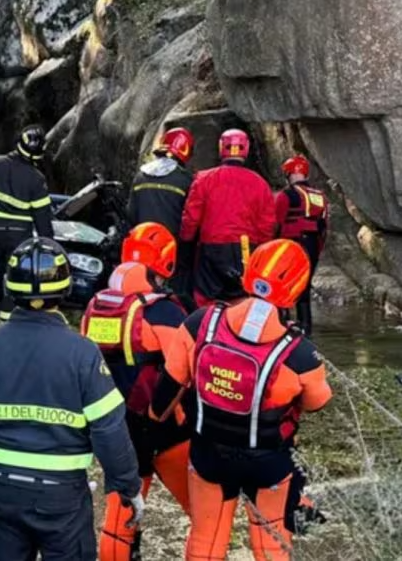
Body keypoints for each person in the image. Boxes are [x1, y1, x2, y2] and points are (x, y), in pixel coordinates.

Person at [0, 236, 143, 561]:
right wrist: (127, 488)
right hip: (62, 498)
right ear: (65, 289)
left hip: (1, 489)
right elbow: (110, 431)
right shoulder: (82, 353)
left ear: (10, 288)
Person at [149, 239, 333, 561]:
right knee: (271, 544)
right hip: (268, 462)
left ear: (250, 274)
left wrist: (153, 421)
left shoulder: (200, 323)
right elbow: (317, 402)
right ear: (297, 288)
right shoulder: (300, 353)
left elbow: (168, 388)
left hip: (209, 452)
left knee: (205, 541)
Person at [79, 223, 191, 561]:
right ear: (165, 263)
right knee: (205, 517)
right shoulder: (165, 311)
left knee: (118, 519)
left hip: (115, 429)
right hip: (166, 427)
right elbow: (185, 371)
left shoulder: (95, 306)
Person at [0, 126, 55, 331]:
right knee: (13, 277)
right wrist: (49, 244)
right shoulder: (36, 178)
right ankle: (9, 322)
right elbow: (43, 220)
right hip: (19, 237)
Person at [179, 129, 275, 308]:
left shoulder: (203, 179)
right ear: (246, 149)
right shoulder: (260, 184)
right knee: (243, 299)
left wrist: (186, 242)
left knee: (205, 299)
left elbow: (191, 218)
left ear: (221, 147)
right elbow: (266, 225)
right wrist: (260, 252)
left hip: (210, 248)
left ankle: (206, 332)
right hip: (245, 249)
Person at [128, 127, 196, 308]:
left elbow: (131, 214)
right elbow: (191, 219)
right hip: (172, 251)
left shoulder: (140, 176)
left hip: (141, 247)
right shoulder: (186, 180)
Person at [275, 155, 329, 336]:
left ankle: (281, 326)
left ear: (288, 174)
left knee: (282, 287)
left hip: (290, 245)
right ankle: (306, 328)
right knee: (303, 289)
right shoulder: (320, 197)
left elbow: (276, 222)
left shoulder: (286, 195)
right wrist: (317, 251)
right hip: (312, 245)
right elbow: (323, 227)